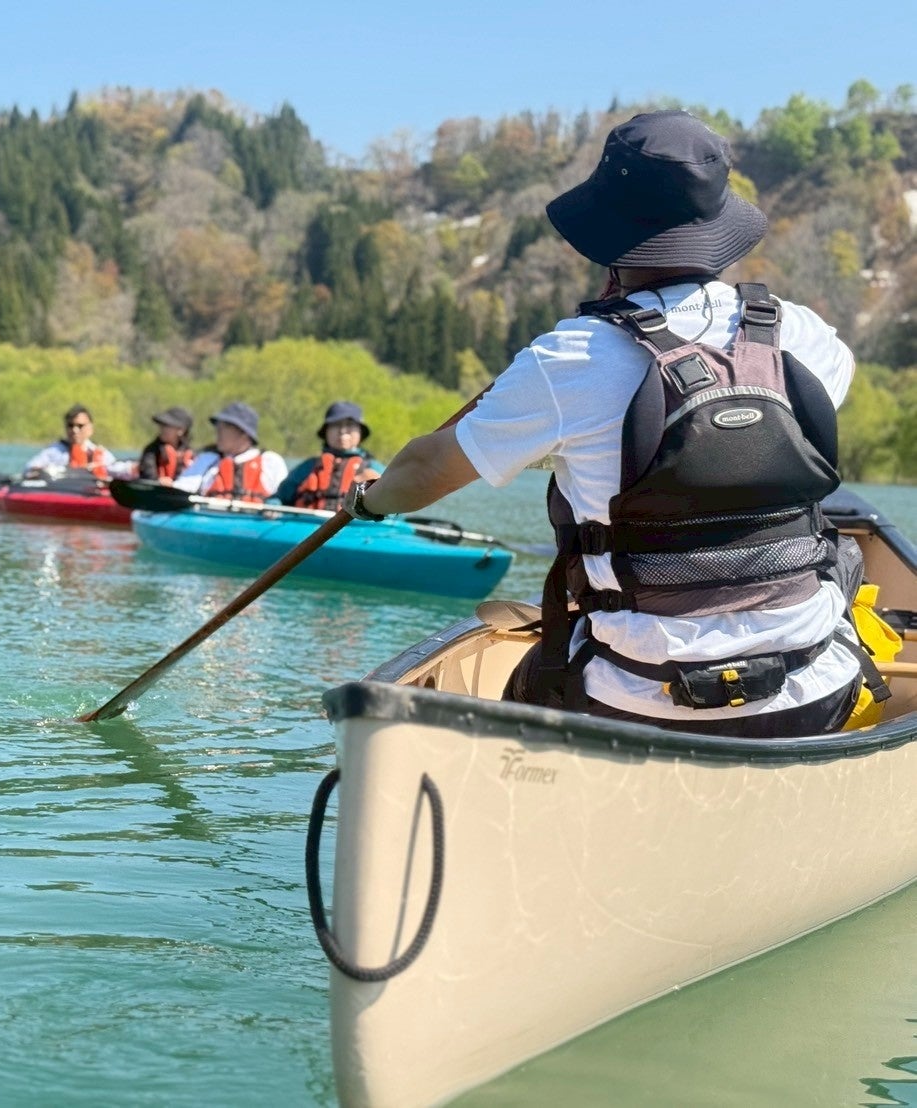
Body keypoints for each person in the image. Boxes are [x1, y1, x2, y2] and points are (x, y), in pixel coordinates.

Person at [345, 110, 886, 739]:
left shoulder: (570, 357)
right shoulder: (800, 331)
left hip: (638, 701)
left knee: (532, 679)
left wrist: (369, 501)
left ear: (610, 236)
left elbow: (425, 472)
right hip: (814, 690)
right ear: (716, 226)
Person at [276, 400, 382, 510]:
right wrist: (273, 506)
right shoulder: (308, 467)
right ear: (325, 431)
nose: (343, 431)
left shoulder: (374, 468)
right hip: (308, 523)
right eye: (336, 425)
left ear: (360, 432)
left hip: (358, 526)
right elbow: (278, 498)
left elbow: (394, 509)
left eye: (350, 425)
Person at [175, 402, 288, 502]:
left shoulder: (270, 461)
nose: (218, 432)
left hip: (258, 523)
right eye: (218, 428)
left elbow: (284, 499)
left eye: (225, 428)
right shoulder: (207, 460)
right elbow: (180, 492)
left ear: (244, 433)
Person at [23, 404, 117, 480]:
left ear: (90, 428)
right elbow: (29, 469)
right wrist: (45, 471)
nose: (75, 430)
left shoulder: (102, 454)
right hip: (63, 494)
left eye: (80, 426)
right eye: (70, 425)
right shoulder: (54, 451)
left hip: (91, 496)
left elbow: (119, 470)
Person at [137, 406, 194, 485]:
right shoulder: (151, 451)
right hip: (157, 492)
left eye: (167, 426)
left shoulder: (191, 454)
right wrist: (157, 481)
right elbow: (147, 476)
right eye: (162, 426)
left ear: (181, 430)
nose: (162, 429)